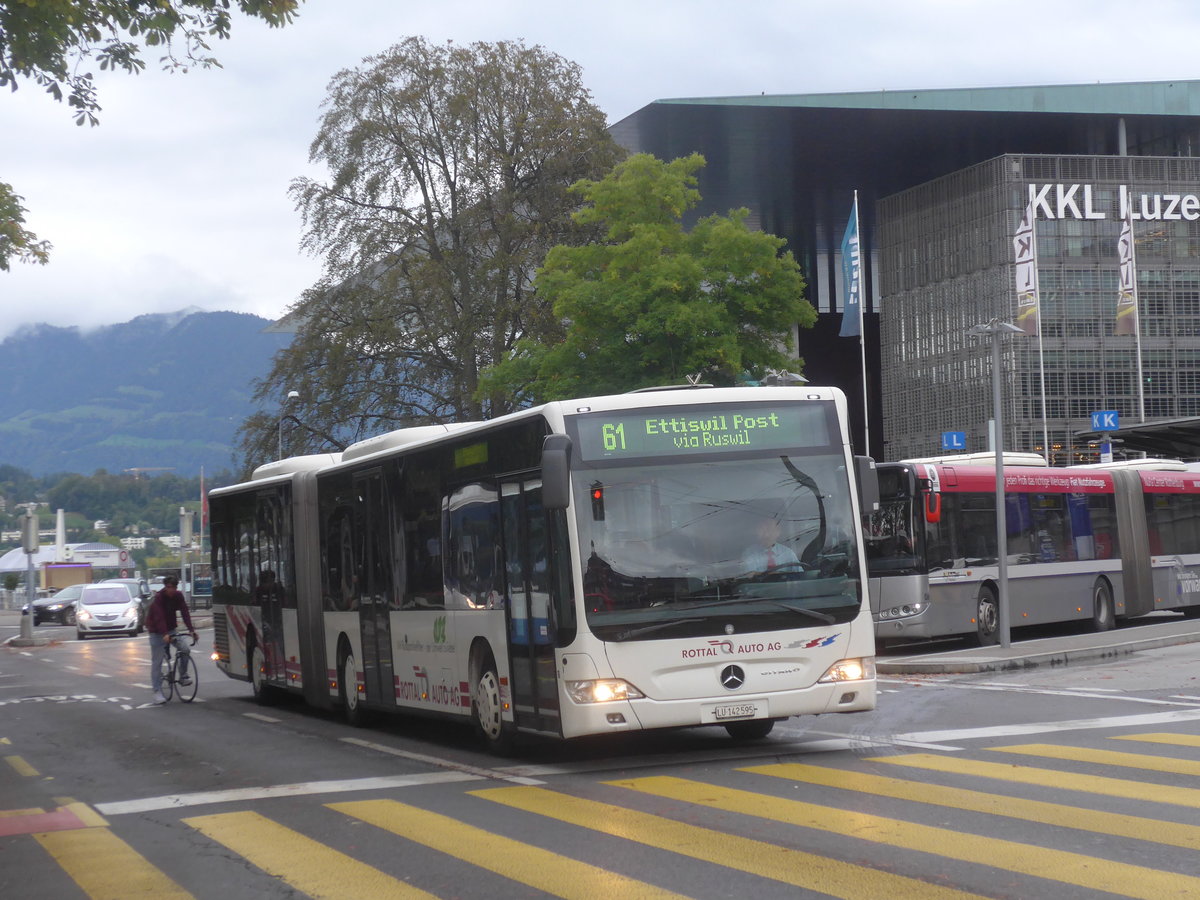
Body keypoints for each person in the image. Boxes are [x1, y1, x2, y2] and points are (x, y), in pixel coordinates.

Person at [145, 575, 197, 705]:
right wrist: (164, 633)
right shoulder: (159, 598)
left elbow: (185, 612)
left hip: (171, 629)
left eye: (174, 587)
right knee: (157, 661)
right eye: (168, 587)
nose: (171, 590)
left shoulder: (178, 596)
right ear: (165, 587)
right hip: (156, 631)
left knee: (185, 649)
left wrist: (191, 630)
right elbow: (159, 617)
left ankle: (183, 675)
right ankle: (157, 691)